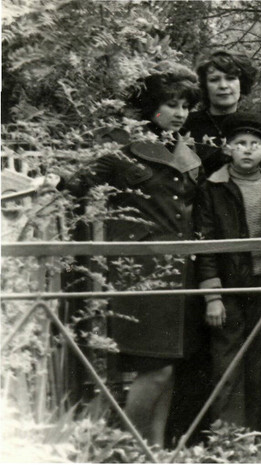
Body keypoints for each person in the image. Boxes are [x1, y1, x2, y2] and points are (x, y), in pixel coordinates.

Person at [62, 62, 203, 447]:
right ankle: (126, 448)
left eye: (186, 106)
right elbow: (72, 184)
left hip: (182, 274)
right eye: (171, 104)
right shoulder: (121, 147)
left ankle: (153, 450)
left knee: (168, 368)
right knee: (154, 369)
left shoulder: (183, 146)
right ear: (150, 106)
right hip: (142, 272)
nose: (179, 112)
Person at [194, 112, 261, 429]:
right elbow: (204, 243)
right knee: (227, 362)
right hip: (228, 289)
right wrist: (212, 295)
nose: (247, 149)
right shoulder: (213, 187)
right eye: (239, 143)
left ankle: (254, 435)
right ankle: (228, 438)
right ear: (227, 149)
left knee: (256, 361)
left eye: (254, 144)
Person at [183, 50, 258, 175]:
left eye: (230, 78)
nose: (223, 85)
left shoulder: (254, 125)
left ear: (242, 83)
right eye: (214, 80)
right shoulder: (186, 123)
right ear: (205, 86)